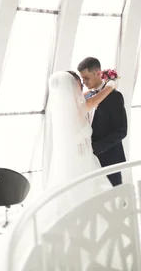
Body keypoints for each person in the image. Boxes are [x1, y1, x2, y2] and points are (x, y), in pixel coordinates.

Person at [42, 70, 116, 217]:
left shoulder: (60, 110)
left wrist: (93, 89)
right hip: (82, 162)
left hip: (72, 160)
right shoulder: (77, 110)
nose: (80, 88)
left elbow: (80, 99)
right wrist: (110, 86)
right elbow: (93, 102)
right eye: (77, 85)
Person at [77, 57, 128, 186]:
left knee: (116, 197)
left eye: (86, 78)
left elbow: (121, 131)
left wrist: (95, 148)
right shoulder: (86, 96)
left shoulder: (115, 97)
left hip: (110, 159)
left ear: (98, 73)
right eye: (82, 78)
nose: (84, 82)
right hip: (89, 160)